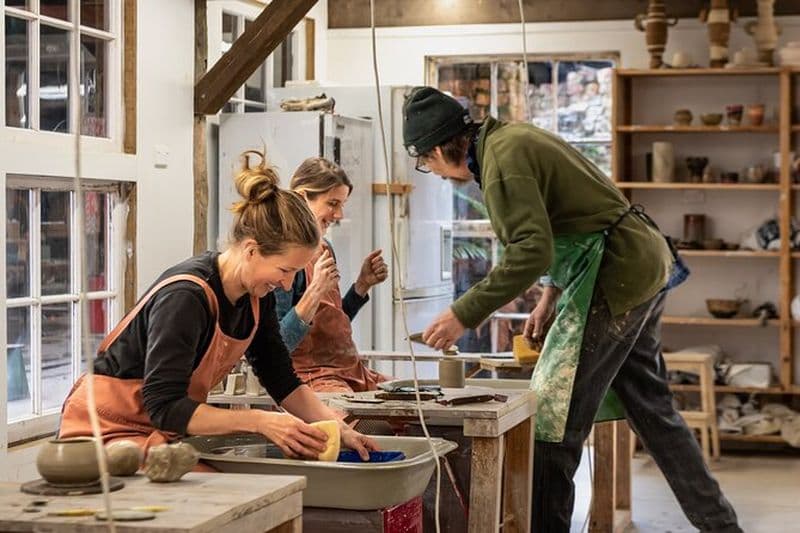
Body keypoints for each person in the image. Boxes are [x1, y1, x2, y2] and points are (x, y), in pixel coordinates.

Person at [402, 86, 742, 532]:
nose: (432, 172)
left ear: (436, 149)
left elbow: (531, 250)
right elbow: (569, 220)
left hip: (614, 269)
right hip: (637, 260)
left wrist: (463, 313)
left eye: (425, 163)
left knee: (552, 419)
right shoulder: (507, 141)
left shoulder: (502, 161)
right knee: (653, 411)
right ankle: (723, 527)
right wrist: (550, 294)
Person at [59, 150, 378, 461]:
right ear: (251, 250)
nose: (286, 284)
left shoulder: (257, 297)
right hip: (104, 433)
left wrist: (336, 426)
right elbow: (165, 406)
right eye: (285, 270)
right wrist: (260, 421)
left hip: (159, 433)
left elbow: (281, 378)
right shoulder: (186, 297)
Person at [275, 157, 390, 393]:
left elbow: (331, 328)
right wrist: (315, 290)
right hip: (311, 378)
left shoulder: (325, 248)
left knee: (415, 398)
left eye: (342, 205)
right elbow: (277, 346)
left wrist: (361, 286)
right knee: (352, 416)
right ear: (302, 197)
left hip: (349, 372)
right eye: (333, 204)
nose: (339, 215)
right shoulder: (282, 257)